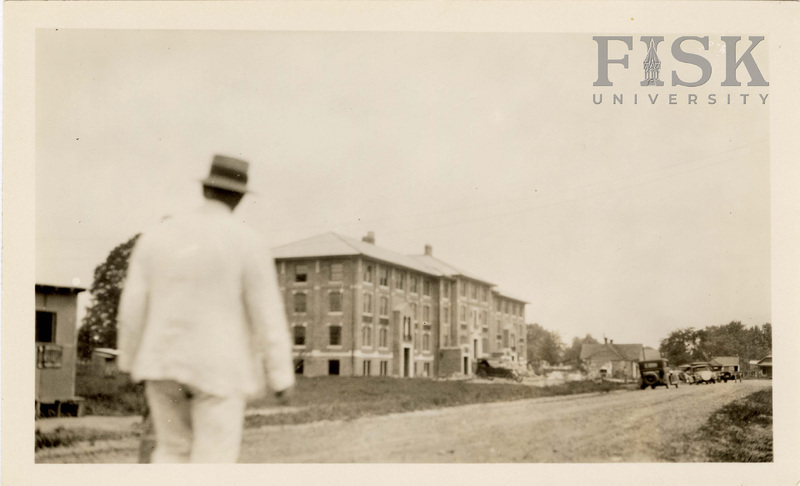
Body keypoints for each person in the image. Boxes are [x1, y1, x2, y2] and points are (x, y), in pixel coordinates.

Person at [117, 154, 295, 463]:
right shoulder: (247, 241)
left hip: (163, 364)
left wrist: (128, 360)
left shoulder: (157, 235)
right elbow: (267, 313)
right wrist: (281, 376)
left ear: (205, 189)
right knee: (214, 460)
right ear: (240, 198)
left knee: (171, 452)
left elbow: (132, 304)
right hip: (219, 370)